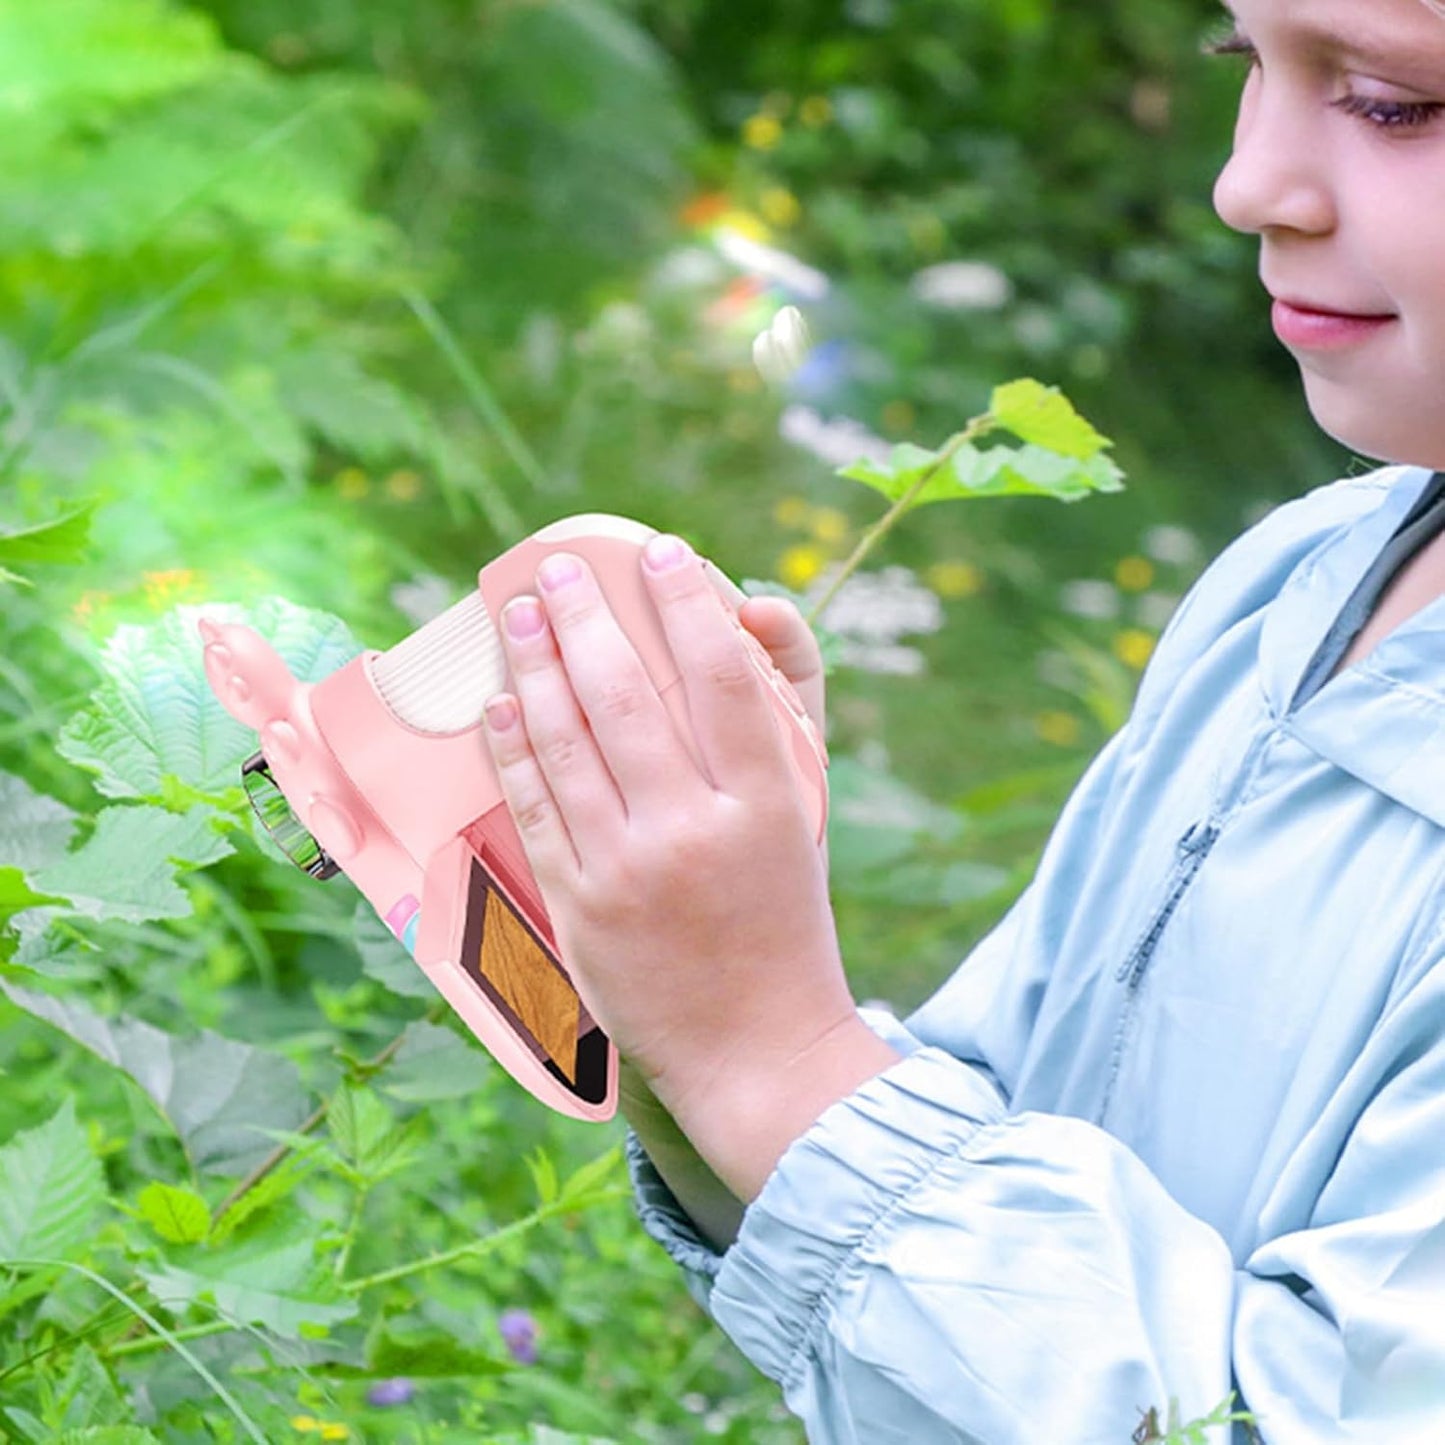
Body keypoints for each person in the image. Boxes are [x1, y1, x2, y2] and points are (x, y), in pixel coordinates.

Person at [475, 0, 1445, 1438]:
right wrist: (696, 1012)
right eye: (1246, 60)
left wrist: (777, 1062)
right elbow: (1001, 1120)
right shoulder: (1295, 581)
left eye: (1383, 99)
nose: (1246, 182)